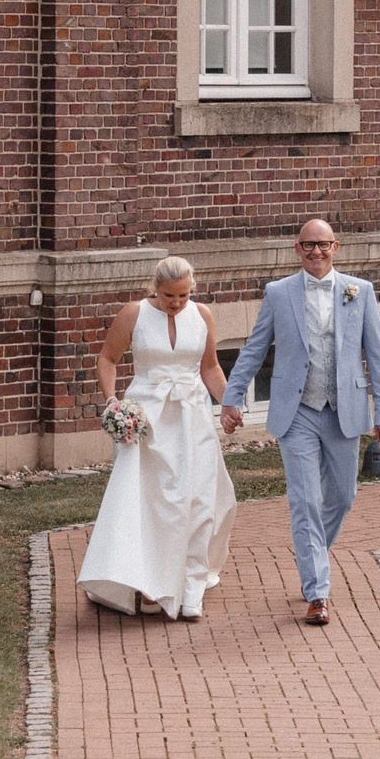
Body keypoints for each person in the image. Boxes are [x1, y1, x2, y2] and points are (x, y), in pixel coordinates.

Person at [219, 219, 380, 627]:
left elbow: (378, 357)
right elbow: (253, 348)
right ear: (297, 249)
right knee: (304, 501)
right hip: (296, 412)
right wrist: (230, 397)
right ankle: (318, 592)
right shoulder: (278, 294)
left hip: (343, 410)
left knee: (343, 496)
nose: (316, 252)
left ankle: (313, 556)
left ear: (336, 247)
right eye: (308, 245)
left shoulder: (360, 291)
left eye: (323, 245)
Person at [76, 255, 240, 620]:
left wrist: (229, 403)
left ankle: (191, 584)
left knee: (198, 498)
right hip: (146, 419)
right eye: (169, 296)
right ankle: (150, 583)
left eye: (183, 295)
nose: (176, 303)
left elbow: (210, 367)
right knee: (152, 501)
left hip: (192, 416)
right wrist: (113, 403)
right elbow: (107, 358)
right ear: (156, 287)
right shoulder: (133, 314)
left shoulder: (202, 316)